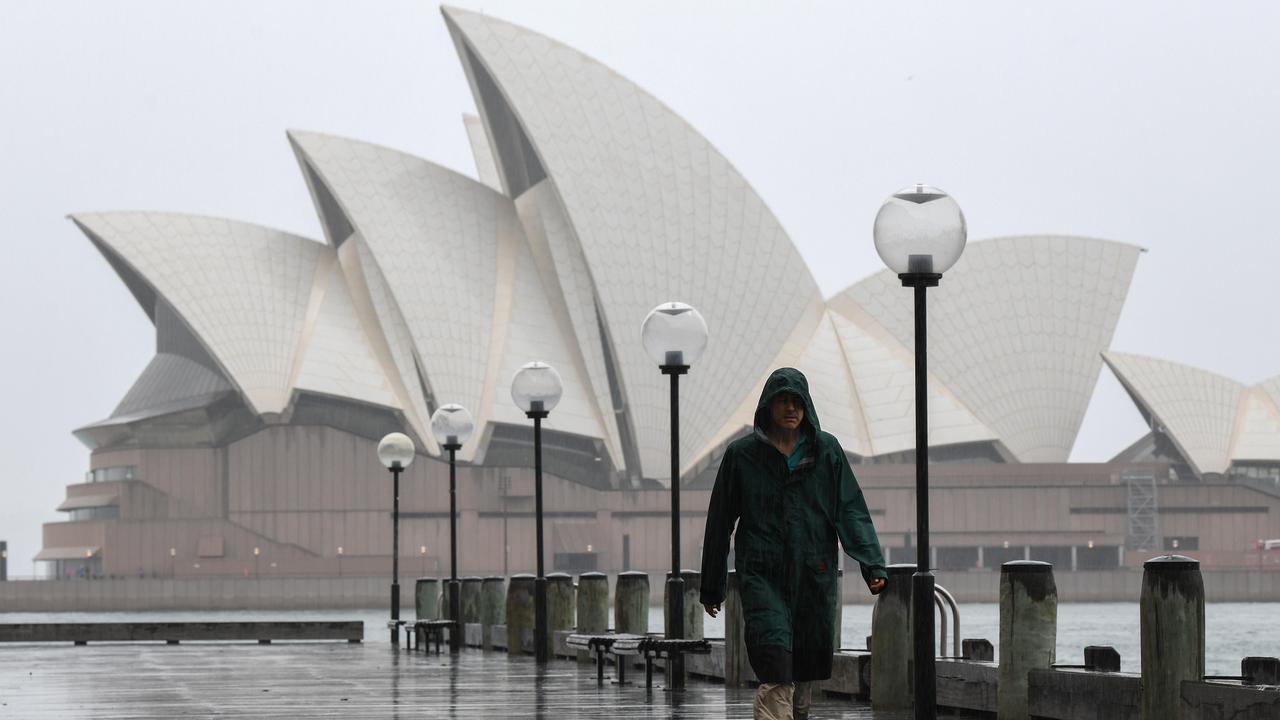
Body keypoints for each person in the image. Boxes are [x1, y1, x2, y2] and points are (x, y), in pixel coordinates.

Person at [700, 367, 887, 720]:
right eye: (783, 400)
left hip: (813, 574)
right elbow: (720, 521)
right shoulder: (741, 456)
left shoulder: (826, 450)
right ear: (767, 406)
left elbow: (850, 509)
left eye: (797, 401)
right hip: (762, 575)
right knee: (775, 663)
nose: (791, 408)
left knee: (802, 672)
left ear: (807, 406)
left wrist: (872, 564)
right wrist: (712, 587)